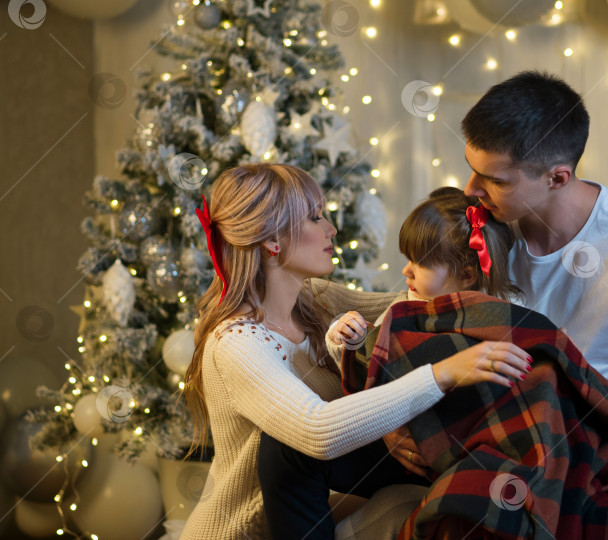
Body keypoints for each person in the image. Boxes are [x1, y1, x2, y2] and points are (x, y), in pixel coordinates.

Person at [178, 163, 532, 540]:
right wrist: (444, 373)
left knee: (415, 500)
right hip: (244, 534)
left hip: (310, 515)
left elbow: (416, 304)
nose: (331, 228)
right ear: (272, 241)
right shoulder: (236, 343)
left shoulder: (317, 300)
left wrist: (470, 245)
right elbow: (318, 430)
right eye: (315, 218)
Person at [460, 70, 608, 449]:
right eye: (472, 169)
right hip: (489, 431)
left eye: (496, 180)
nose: (470, 189)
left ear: (557, 178)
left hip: (591, 444)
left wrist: (572, 449)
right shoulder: (480, 224)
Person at [326, 186, 522, 362]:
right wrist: (346, 339)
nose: (406, 271)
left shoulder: (505, 314)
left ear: (466, 276)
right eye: (408, 259)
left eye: (420, 264)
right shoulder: (403, 310)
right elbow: (369, 367)